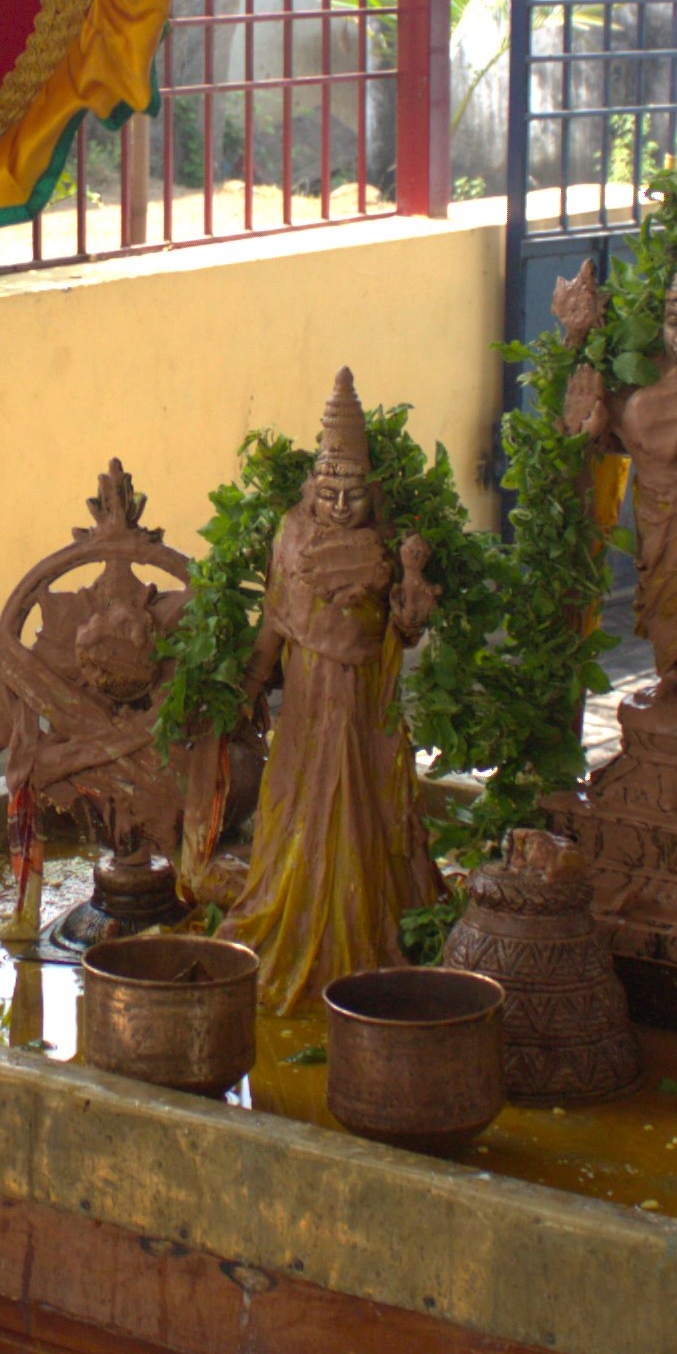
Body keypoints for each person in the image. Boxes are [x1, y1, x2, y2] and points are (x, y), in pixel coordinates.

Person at [218, 369, 441, 1015]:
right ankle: (293, 926)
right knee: (293, 811)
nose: (339, 506)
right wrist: (250, 685)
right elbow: (275, 623)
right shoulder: (290, 533)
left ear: (370, 491)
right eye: (327, 490)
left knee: (359, 819)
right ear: (310, 483)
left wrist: (410, 584)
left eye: (351, 494)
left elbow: (403, 631)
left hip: (362, 707)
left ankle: (357, 942)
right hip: (307, 706)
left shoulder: (381, 549)